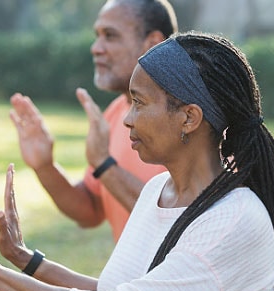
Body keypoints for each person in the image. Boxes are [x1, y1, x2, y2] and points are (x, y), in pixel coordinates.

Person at [0, 32, 274, 291]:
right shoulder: (156, 192)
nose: (128, 119)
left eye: (140, 103)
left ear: (189, 118)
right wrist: (26, 260)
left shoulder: (233, 220)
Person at [9, 0, 176, 240]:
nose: (96, 48)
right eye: (97, 35)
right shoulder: (116, 112)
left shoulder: (189, 119)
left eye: (110, 36)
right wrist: (45, 166)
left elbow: (182, 224)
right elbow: (91, 210)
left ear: (153, 44)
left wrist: (104, 164)